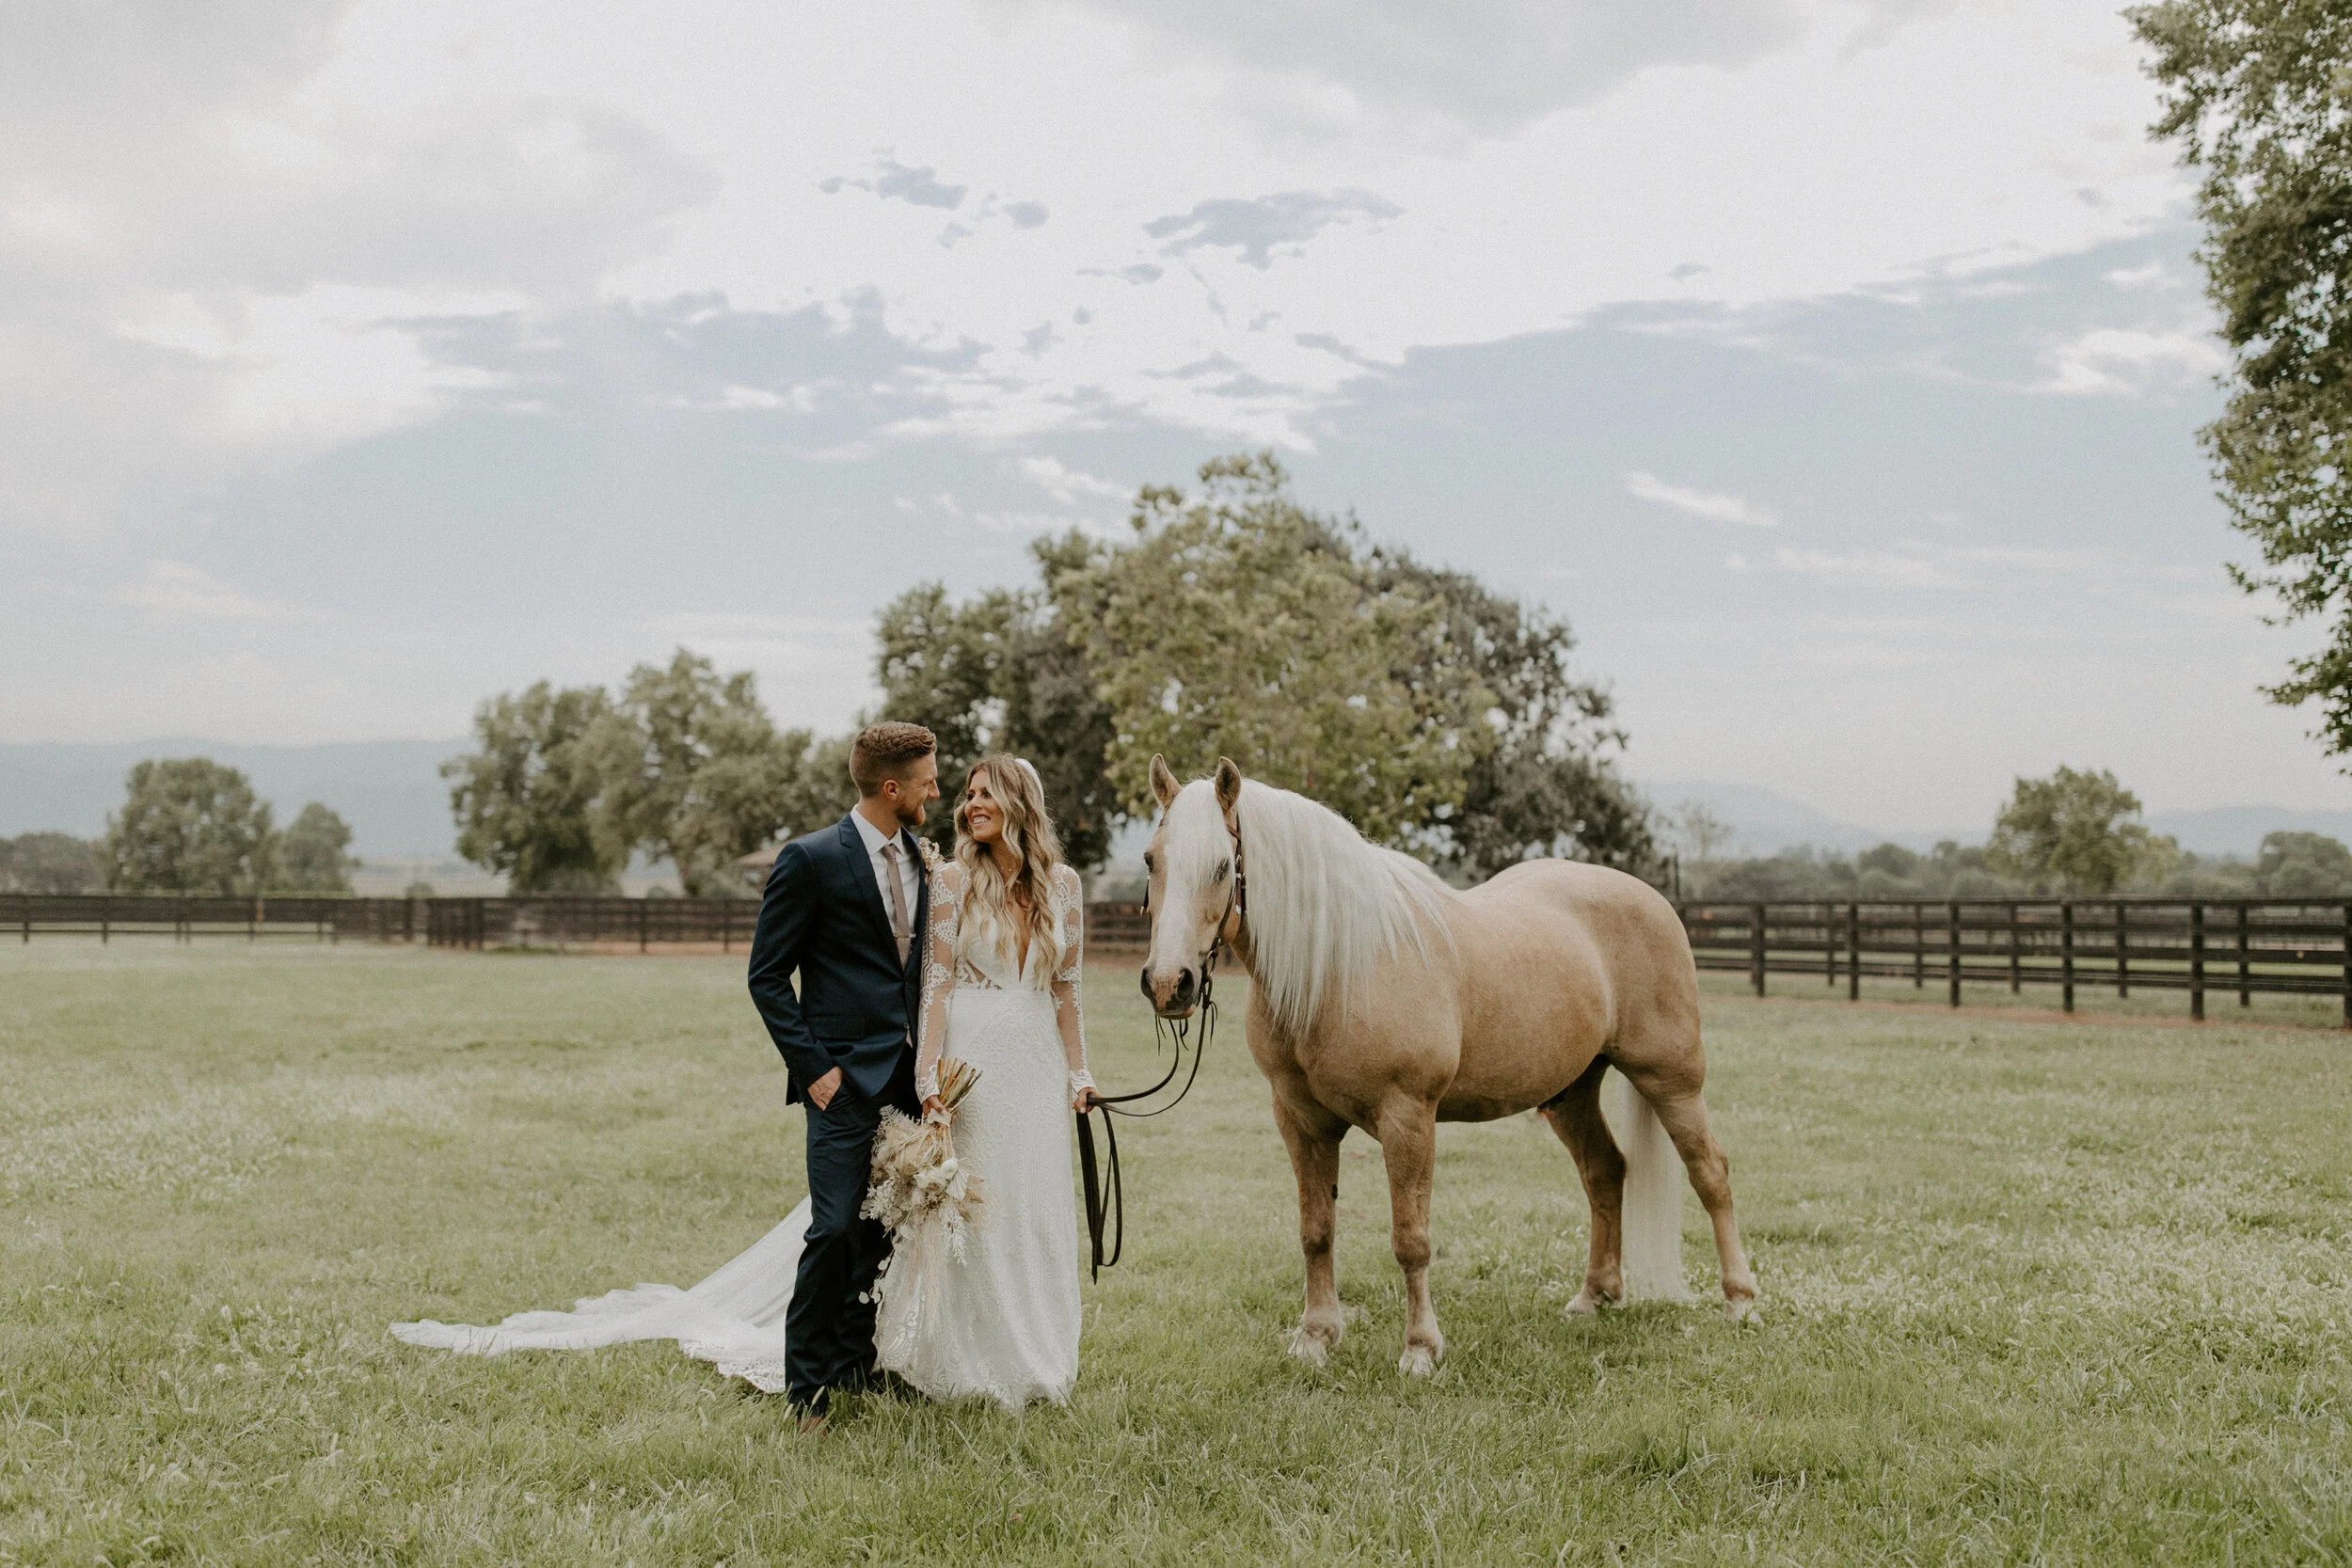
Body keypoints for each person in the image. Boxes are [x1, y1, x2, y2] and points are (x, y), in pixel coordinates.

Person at [387, 729, 1097, 1419]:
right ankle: (808, 1386)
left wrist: (1053, 1073)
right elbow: (774, 976)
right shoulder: (826, 859)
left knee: (893, 1228)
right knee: (831, 1227)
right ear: (893, 786)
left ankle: (862, 1362)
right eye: (940, 782)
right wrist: (816, 1070)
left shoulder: (929, 863)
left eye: (971, 788)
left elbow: (971, 978)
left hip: (936, 1075)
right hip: (853, 1076)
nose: (948, 795)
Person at [871, 752, 1096, 1409]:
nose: (971, 804)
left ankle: (1039, 1354)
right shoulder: (950, 880)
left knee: (1034, 1207)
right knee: (980, 1206)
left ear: (1019, 800)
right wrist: (928, 1077)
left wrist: (1080, 1073)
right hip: (973, 1060)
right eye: (967, 794)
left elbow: (1068, 993)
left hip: (1037, 1062)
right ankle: (964, 1360)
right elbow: (935, 985)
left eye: (985, 792)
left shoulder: (1065, 886)